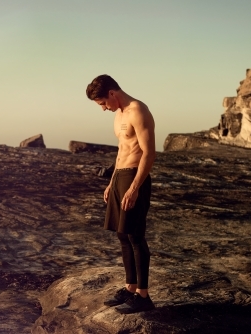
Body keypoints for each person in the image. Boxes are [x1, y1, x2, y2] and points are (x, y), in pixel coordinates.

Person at [86, 74, 156, 314]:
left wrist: (134, 187)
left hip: (136, 177)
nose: (104, 109)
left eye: (104, 103)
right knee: (122, 235)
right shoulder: (118, 116)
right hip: (120, 177)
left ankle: (143, 297)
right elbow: (121, 152)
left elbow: (148, 153)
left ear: (112, 94)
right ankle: (130, 288)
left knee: (136, 236)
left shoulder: (138, 110)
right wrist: (112, 182)